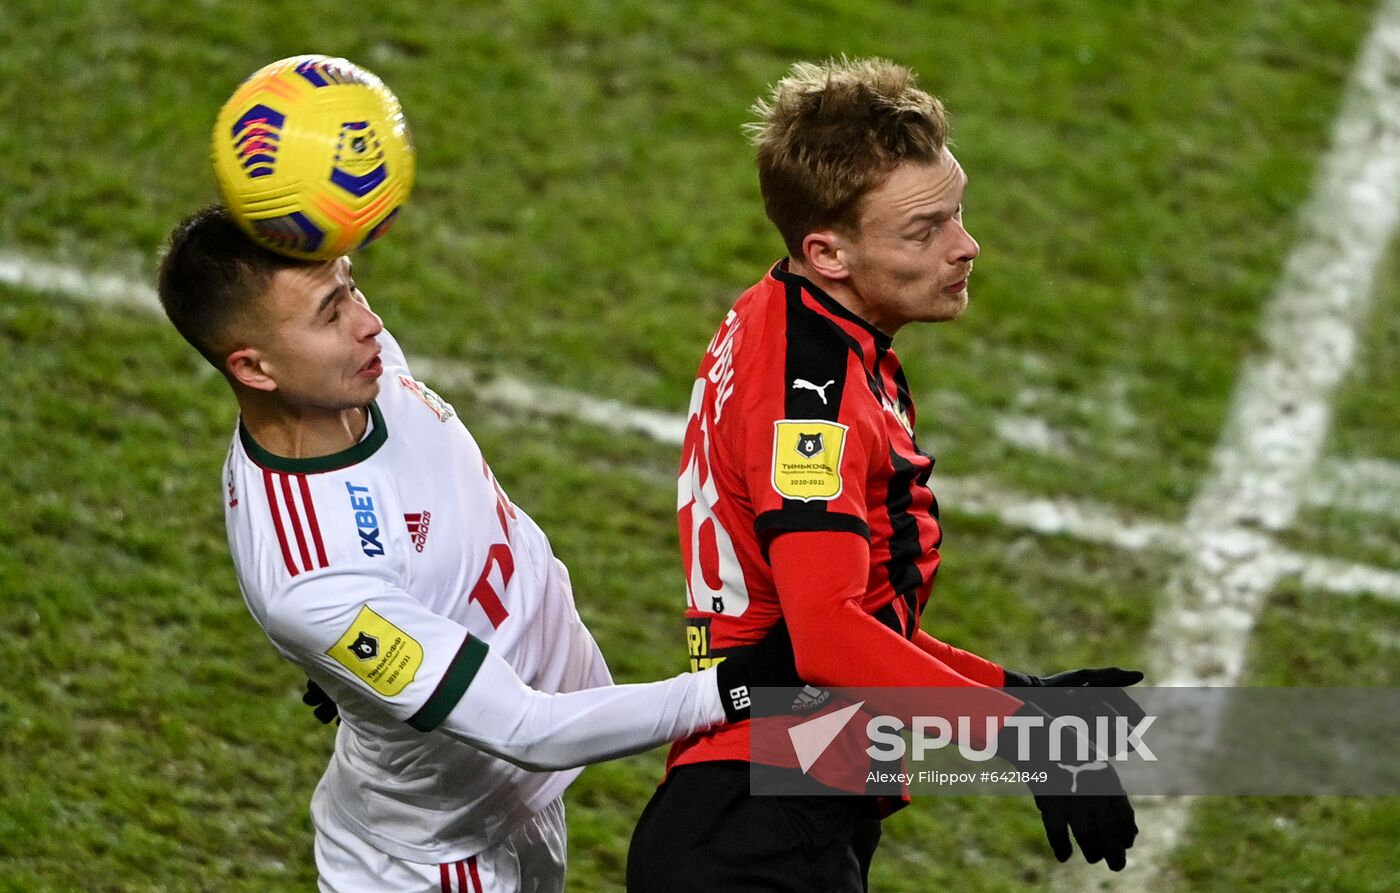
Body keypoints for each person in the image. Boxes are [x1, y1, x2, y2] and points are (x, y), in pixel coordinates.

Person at [155, 206, 797, 893]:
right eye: (328, 311)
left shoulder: (356, 374)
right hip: (440, 859)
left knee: (872, 754)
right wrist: (740, 685)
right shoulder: (311, 574)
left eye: (352, 286)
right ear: (254, 367)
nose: (368, 322)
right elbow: (526, 726)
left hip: (519, 795)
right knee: (871, 755)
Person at [626, 57, 1140, 892]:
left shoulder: (801, 322)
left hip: (779, 798)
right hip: (754, 826)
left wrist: (1021, 691)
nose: (965, 246)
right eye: (924, 230)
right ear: (827, 251)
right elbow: (827, 637)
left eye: (957, 212)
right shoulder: (811, 400)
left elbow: (852, 621)